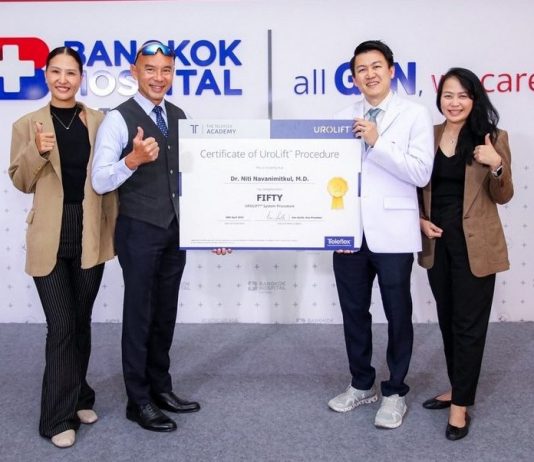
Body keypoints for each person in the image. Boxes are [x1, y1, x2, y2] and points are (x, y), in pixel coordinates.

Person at [92, 40, 207, 433]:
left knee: (165, 313)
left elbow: (190, 178)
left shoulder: (178, 115)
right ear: (134, 72)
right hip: (139, 228)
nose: (159, 77)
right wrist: (132, 160)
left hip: (175, 230)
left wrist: (212, 226)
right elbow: (99, 179)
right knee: (140, 315)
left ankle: (161, 388)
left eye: (166, 70)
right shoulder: (117, 119)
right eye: (150, 69)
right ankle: (137, 400)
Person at [8, 47, 117, 448]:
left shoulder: (100, 121)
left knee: (81, 321)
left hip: (90, 231)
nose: (63, 80)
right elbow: (20, 181)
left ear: (81, 78)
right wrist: (36, 150)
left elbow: (109, 177)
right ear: (46, 74)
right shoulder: (27, 124)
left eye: (71, 73)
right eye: (56, 72)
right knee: (62, 326)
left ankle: (80, 396)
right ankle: (56, 419)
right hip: (49, 235)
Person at [328, 40, 434, 428]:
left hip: (393, 231)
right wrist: (334, 229)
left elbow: (420, 173)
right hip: (348, 235)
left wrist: (378, 141)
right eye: (361, 69)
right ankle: (361, 384)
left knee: (397, 312)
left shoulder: (415, 114)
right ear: (353, 77)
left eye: (376, 66)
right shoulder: (340, 117)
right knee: (353, 312)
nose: (369, 74)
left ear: (391, 71)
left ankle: (395, 391)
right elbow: (330, 178)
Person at [418, 67, 513, 440]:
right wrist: (419, 220)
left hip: (476, 244)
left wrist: (496, 164)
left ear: (474, 99)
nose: (454, 102)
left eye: (462, 95)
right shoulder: (427, 135)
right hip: (437, 241)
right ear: (439, 98)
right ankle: (458, 386)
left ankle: (461, 406)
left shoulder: (493, 138)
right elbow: (412, 186)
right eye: (448, 95)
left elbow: (503, 195)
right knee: (448, 319)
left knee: (468, 325)